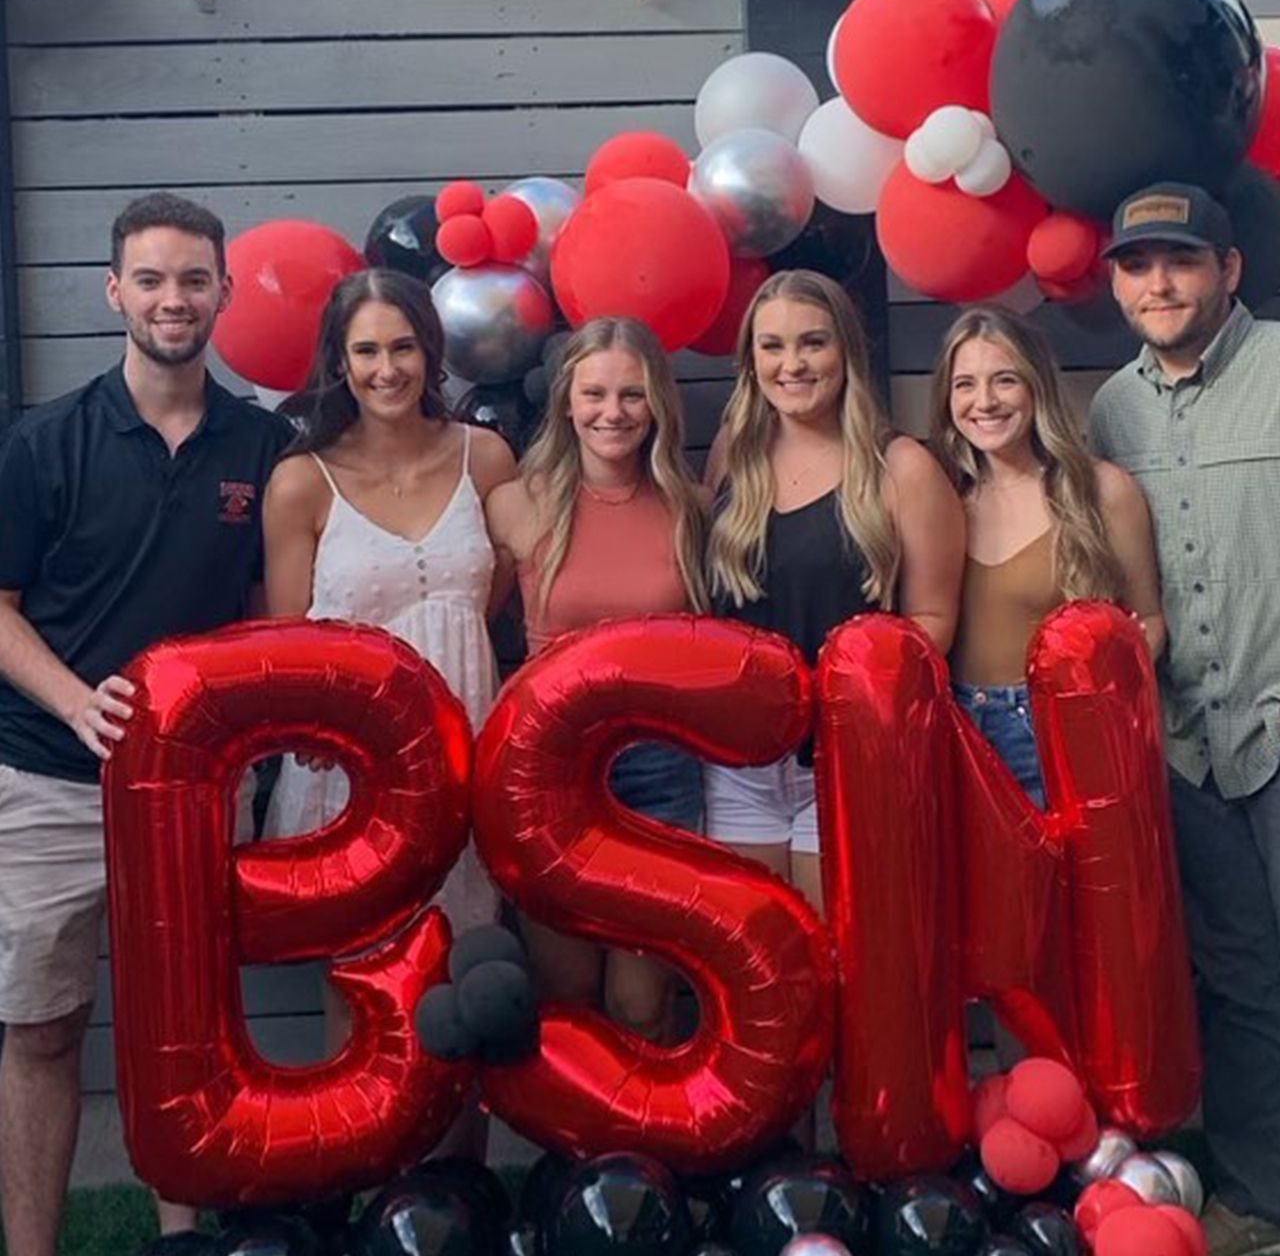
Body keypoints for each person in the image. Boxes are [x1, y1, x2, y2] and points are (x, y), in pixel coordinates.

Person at [0, 192, 292, 1256]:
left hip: (193, 790)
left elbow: (270, 608)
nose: (175, 299)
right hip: (50, 780)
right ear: (113, 291)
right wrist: (76, 700)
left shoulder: (263, 445)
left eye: (194, 279)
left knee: (185, 1028)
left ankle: (183, 1231)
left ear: (221, 291)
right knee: (39, 1025)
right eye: (153, 279)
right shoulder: (45, 441)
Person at [260, 269, 516, 1137]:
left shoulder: (484, 456)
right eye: (366, 349)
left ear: (430, 352)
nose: (386, 368)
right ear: (340, 359)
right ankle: (361, 1166)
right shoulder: (302, 481)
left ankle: (456, 1192)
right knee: (362, 987)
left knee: (461, 976)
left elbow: (498, 595)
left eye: (403, 346)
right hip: (352, 778)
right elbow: (284, 642)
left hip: (464, 755)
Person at [1089, 181, 1280, 1256]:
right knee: (1240, 977)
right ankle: (1256, 1191)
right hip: (1185, 747)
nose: (1156, 283)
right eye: (1135, 265)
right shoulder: (1109, 411)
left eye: (1179, 261)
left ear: (1227, 269)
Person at [703, 268, 965, 915]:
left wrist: (839, 701)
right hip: (741, 763)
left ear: (847, 350)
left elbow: (933, 621)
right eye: (772, 346)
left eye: (813, 343)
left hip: (848, 760)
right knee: (757, 958)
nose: (792, 364)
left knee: (840, 962)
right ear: (751, 360)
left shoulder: (899, 467)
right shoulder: (734, 454)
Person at [485, 316, 707, 1043]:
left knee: (643, 1001)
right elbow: (470, 626)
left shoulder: (692, 510)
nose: (613, 412)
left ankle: (649, 1149)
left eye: (633, 395)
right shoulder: (517, 505)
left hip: (660, 769)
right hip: (553, 769)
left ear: (659, 407)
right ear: (566, 403)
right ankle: (583, 1154)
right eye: (595, 394)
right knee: (568, 989)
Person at [932, 305, 1164, 808]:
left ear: (1036, 386)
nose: (985, 401)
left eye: (1005, 380)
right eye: (965, 384)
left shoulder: (1101, 490)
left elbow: (1148, 622)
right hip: (955, 731)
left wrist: (1099, 708)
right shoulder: (939, 494)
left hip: (1060, 732)